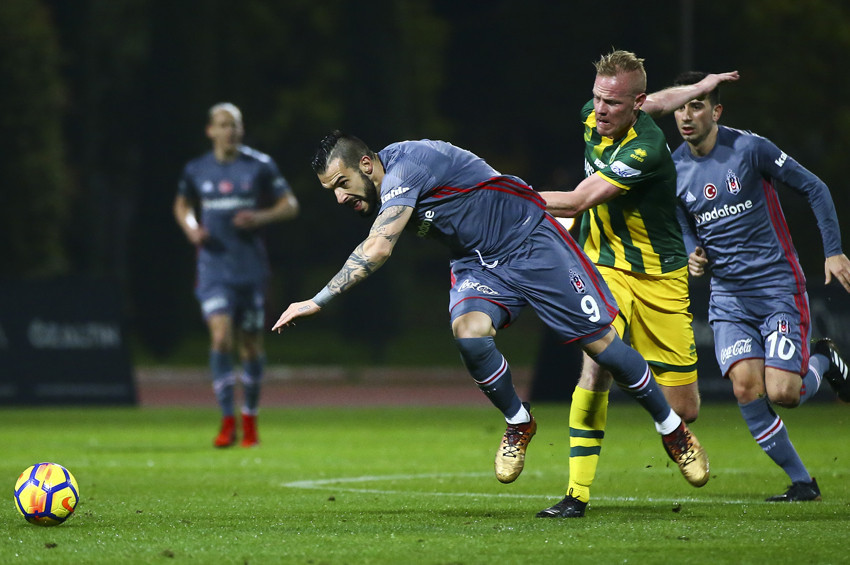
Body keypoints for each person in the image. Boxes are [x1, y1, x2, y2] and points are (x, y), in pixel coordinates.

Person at [272, 131, 709, 512]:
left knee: (604, 349)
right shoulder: (389, 181)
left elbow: (379, 247)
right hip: (478, 263)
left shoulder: (406, 169)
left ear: (367, 165)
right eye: (331, 190)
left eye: (342, 183)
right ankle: (519, 422)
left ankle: (672, 430)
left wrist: (317, 300)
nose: (339, 198)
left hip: (531, 241)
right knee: (468, 331)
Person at [538, 50, 737, 518]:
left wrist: (498, 193)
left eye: (612, 102)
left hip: (660, 278)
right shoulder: (595, 115)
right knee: (596, 367)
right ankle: (576, 495)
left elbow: (577, 201)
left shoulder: (645, 148)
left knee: (685, 408)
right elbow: (663, 100)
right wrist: (697, 86)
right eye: (597, 98)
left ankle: (673, 427)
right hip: (602, 267)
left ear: (635, 104)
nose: (600, 109)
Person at [668, 71, 850, 501]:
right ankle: (802, 483)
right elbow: (683, 221)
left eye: (697, 105)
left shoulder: (750, 149)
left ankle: (823, 360)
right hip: (728, 298)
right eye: (680, 107)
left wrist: (833, 251)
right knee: (745, 388)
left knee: (784, 393)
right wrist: (693, 252)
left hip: (777, 289)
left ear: (716, 111)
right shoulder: (673, 169)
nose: (686, 115)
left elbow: (815, 188)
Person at [173, 102, 299, 448]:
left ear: (241, 130)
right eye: (223, 124)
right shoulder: (196, 169)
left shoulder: (259, 165)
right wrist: (191, 227)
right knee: (220, 338)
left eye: (235, 125)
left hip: (250, 270)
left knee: (251, 345)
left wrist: (260, 217)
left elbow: (290, 204)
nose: (230, 131)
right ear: (210, 130)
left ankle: (250, 419)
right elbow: (182, 205)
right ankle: (228, 421)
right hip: (213, 269)